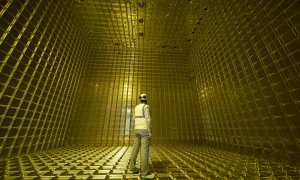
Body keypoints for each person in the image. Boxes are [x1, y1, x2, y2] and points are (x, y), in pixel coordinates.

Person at [129, 94, 155, 179]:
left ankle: (132, 168)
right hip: (144, 130)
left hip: (137, 130)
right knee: (144, 151)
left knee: (135, 148)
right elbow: (148, 119)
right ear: (146, 99)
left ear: (139, 99)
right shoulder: (146, 107)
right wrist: (149, 131)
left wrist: (135, 128)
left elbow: (133, 119)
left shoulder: (136, 107)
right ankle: (144, 173)